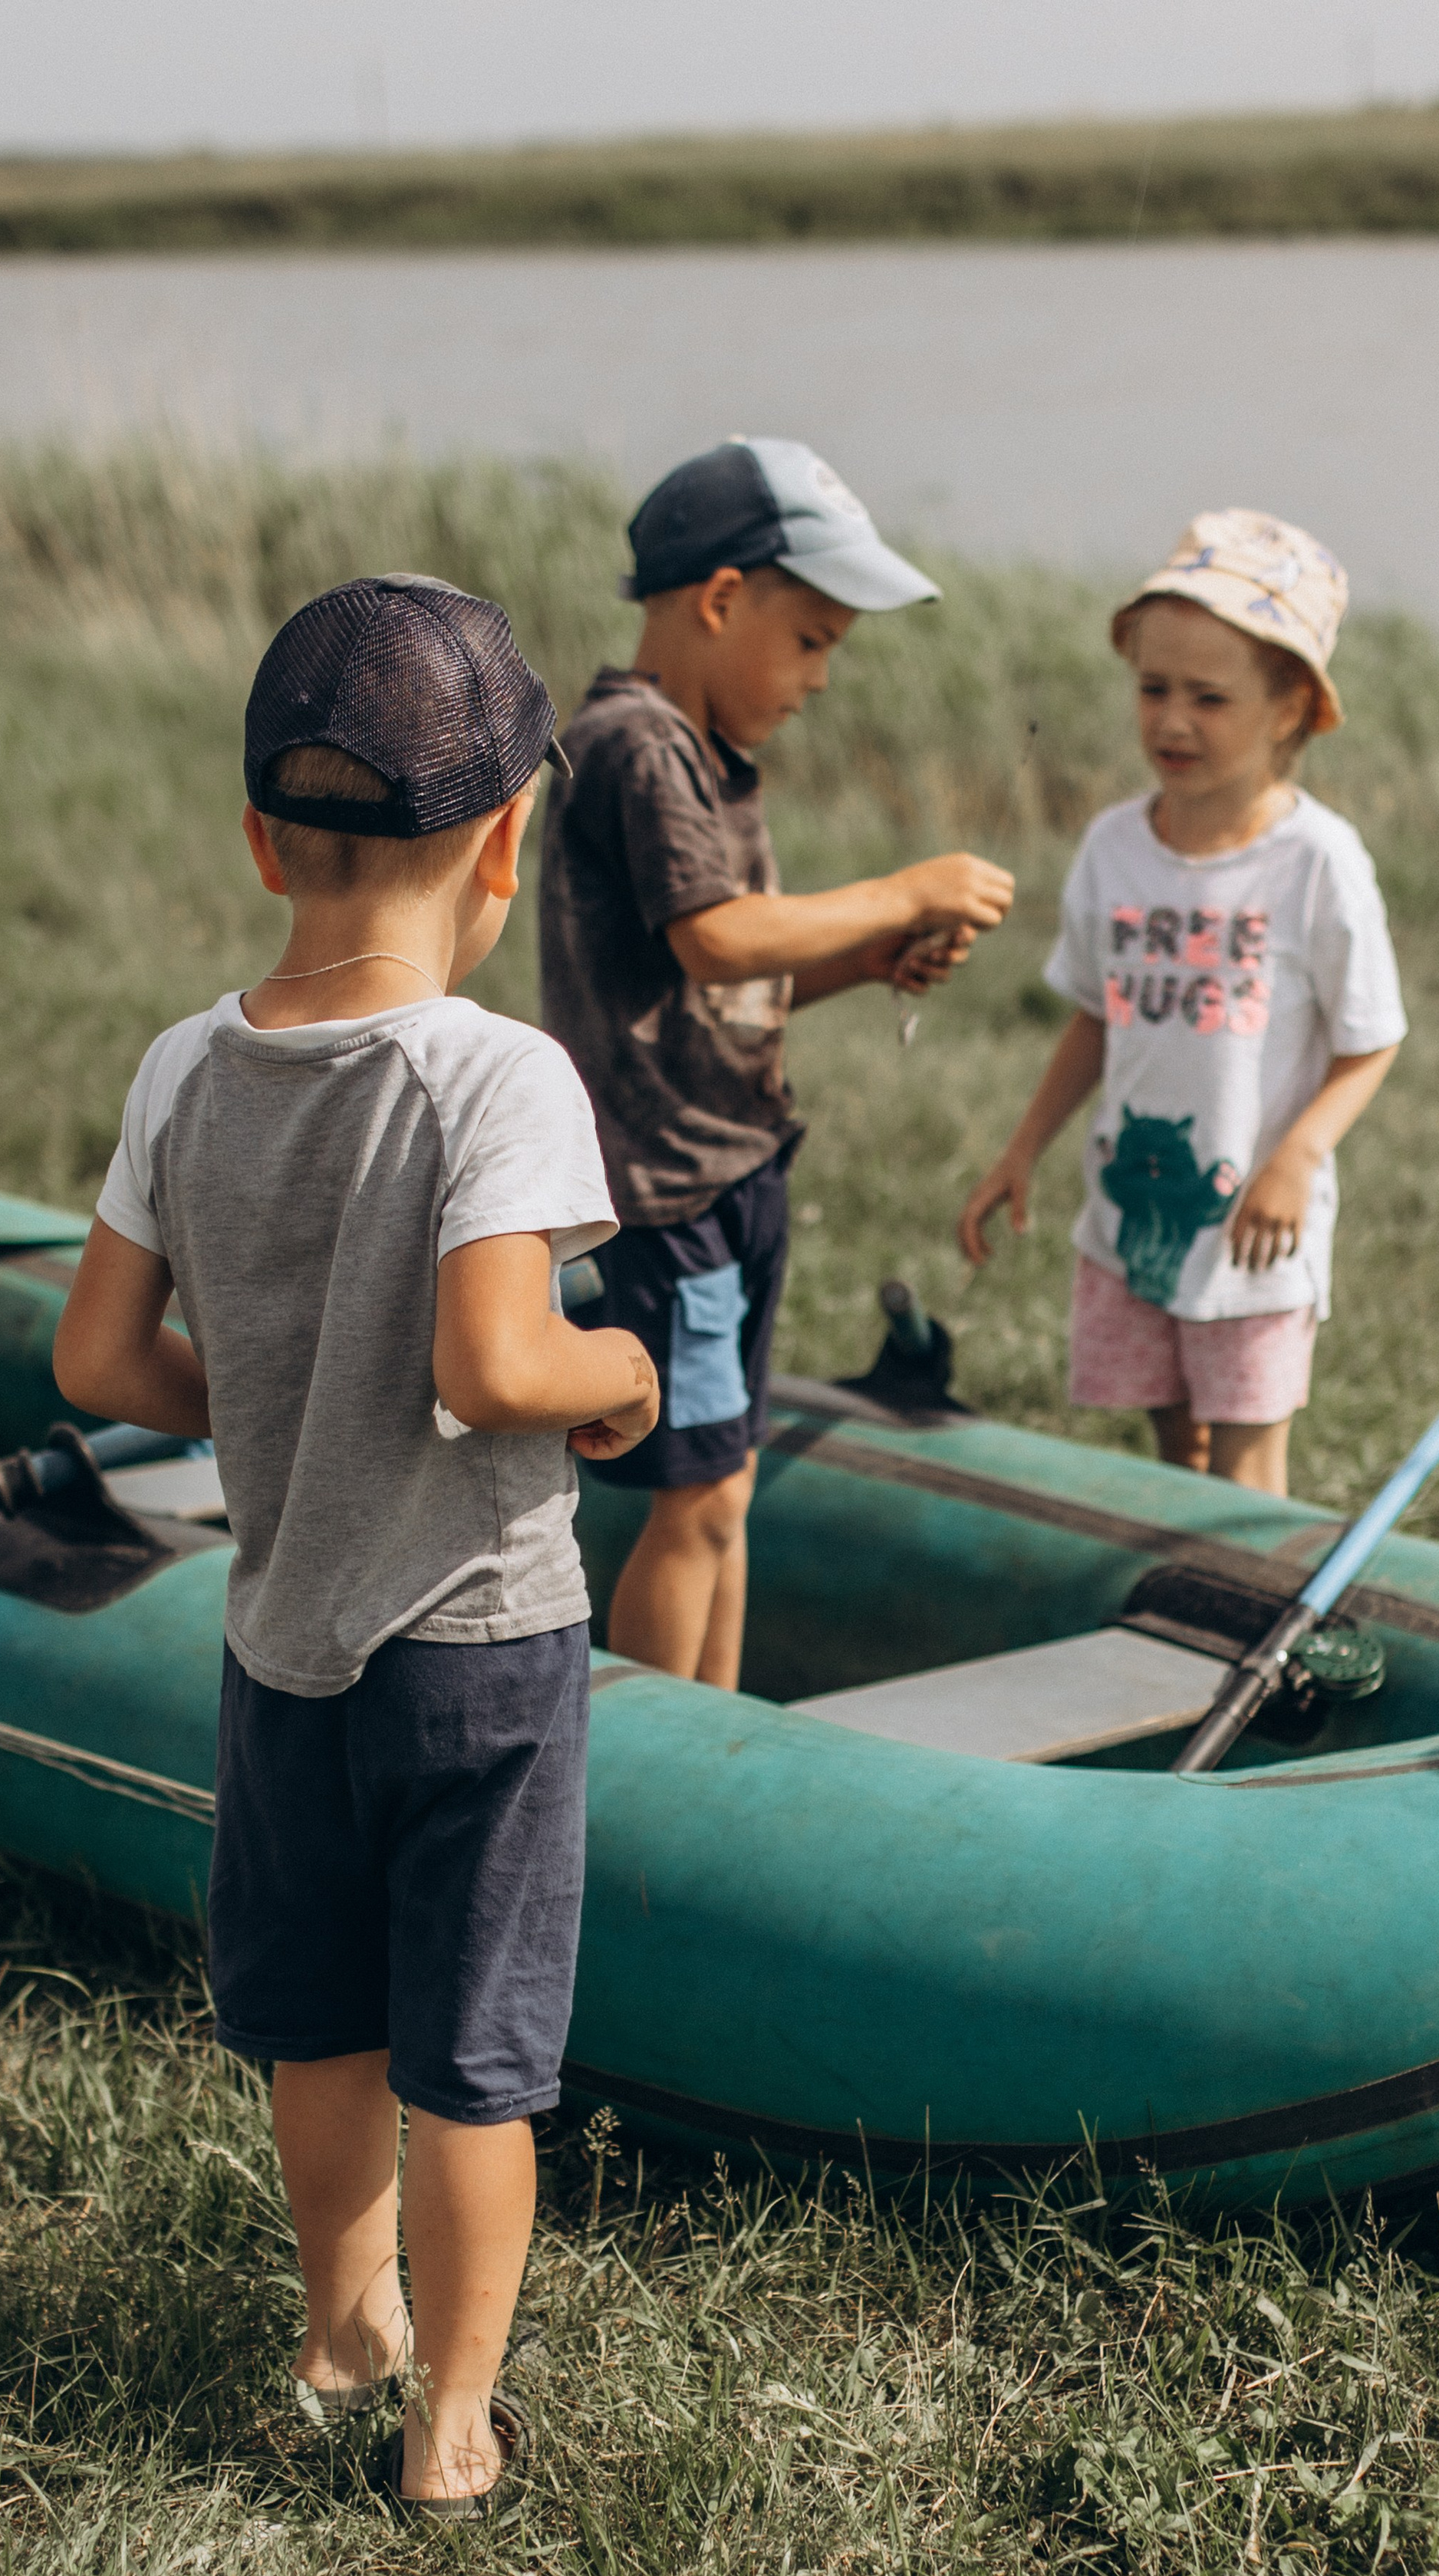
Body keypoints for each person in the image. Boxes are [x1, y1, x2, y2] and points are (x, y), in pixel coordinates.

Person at [53, 577, 657, 2513]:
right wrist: (617, 1363)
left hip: (281, 1633)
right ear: (503, 845)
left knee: (314, 2008)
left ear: (258, 842)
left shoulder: (182, 1066)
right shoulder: (498, 1073)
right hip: (479, 1637)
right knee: (475, 2051)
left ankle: (340, 2327)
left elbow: (95, 1357)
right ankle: (453, 2424)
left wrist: (258, 1400)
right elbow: (493, 1366)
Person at [541, 436, 1016, 1688]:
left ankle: (722, 1722)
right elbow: (718, 939)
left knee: (726, 1489)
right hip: (669, 1194)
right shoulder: (635, 746)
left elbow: (737, 973)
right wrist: (902, 887)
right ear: (720, 600)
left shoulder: (707, 761)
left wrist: (867, 963)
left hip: (737, 1167)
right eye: (811, 641)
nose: (817, 680)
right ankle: (658, 1756)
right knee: (693, 1499)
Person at [957, 509, 1406, 1497]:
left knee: (1246, 1464)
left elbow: (1371, 1041)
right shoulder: (1115, 847)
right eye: (1154, 689)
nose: (1171, 721)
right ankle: (1182, 1622)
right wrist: (1022, 1149)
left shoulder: (1315, 862)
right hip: (1135, 1213)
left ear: (1290, 708)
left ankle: (1250, 1633)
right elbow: (1096, 1014)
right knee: (1173, 1441)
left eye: (1210, 698)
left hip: (1253, 1228)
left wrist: (1299, 1157)